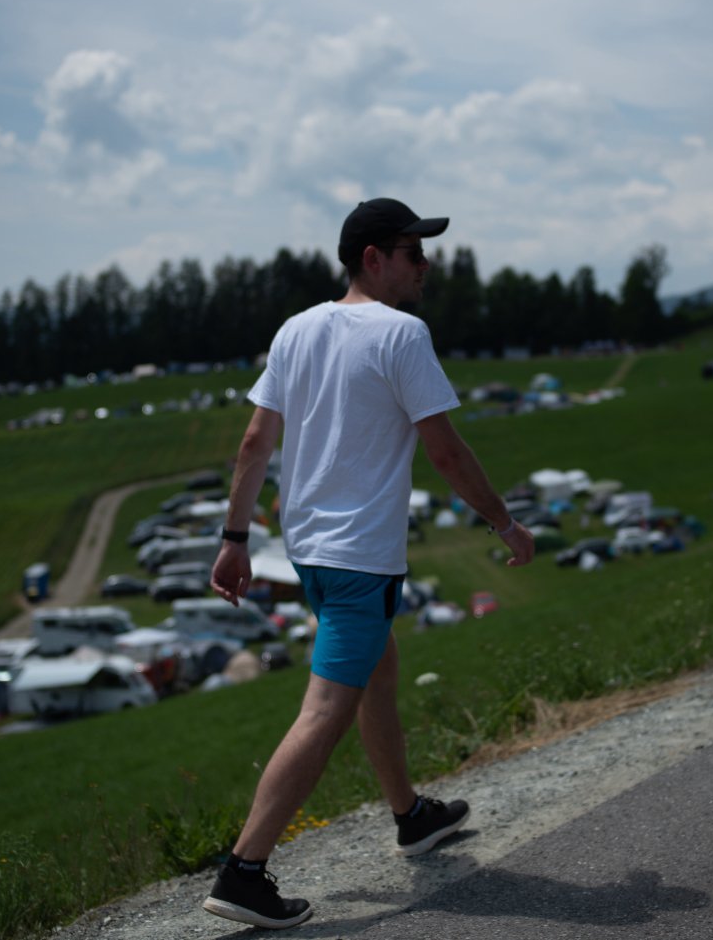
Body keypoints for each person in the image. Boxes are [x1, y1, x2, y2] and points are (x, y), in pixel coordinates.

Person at [202, 198, 536, 929]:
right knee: (325, 710)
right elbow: (446, 450)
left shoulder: (297, 329)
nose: (427, 263)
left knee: (378, 673)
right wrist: (504, 521)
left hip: (312, 552)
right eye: (414, 250)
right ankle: (245, 868)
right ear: (374, 258)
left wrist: (233, 537)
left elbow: (255, 443)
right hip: (358, 560)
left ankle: (411, 816)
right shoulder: (402, 334)